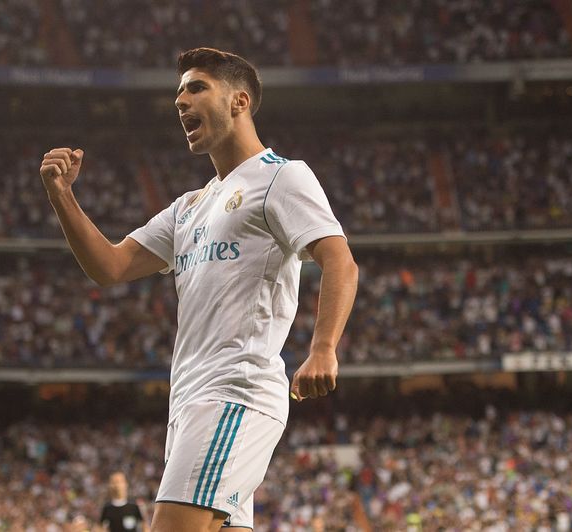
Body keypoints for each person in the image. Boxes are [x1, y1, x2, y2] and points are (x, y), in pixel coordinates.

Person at [40, 47, 358, 531]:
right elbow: (110, 266)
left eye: (196, 88)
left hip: (233, 393)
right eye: (178, 93)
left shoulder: (281, 176)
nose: (180, 101)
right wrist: (61, 196)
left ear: (239, 101)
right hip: (189, 403)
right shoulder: (189, 206)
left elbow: (340, 260)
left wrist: (324, 348)